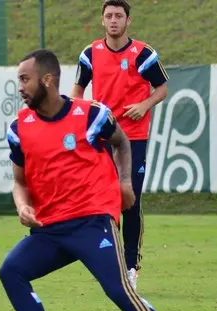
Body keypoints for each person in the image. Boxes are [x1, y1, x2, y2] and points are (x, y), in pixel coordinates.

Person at [0, 48, 200, 311]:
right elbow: (19, 182)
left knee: (120, 291)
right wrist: (22, 207)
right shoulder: (20, 128)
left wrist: (124, 182)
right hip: (50, 229)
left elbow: (121, 143)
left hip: (93, 223)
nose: (19, 87)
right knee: (11, 271)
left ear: (47, 80)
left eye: (24, 79)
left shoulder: (92, 115)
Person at [70, 0, 169, 290]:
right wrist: (87, 113)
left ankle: (131, 267)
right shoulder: (90, 54)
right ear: (102, 21)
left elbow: (162, 87)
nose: (114, 20)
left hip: (134, 137)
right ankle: (109, 261)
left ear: (128, 21)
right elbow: (77, 90)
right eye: (109, 16)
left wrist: (145, 103)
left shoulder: (143, 53)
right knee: (103, 202)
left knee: (130, 200)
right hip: (103, 138)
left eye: (119, 16)